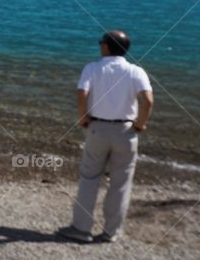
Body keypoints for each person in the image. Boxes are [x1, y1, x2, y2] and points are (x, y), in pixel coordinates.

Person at [57, 30, 154, 244]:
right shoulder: (136, 71)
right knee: (121, 183)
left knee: (89, 179)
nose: (100, 45)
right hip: (126, 131)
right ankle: (111, 232)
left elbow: (81, 93)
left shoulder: (92, 68)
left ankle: (81, 229)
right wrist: (140, 123)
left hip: (97, 128)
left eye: (101, 42)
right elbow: (148, 100)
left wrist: (83, 117)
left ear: (107, 46)